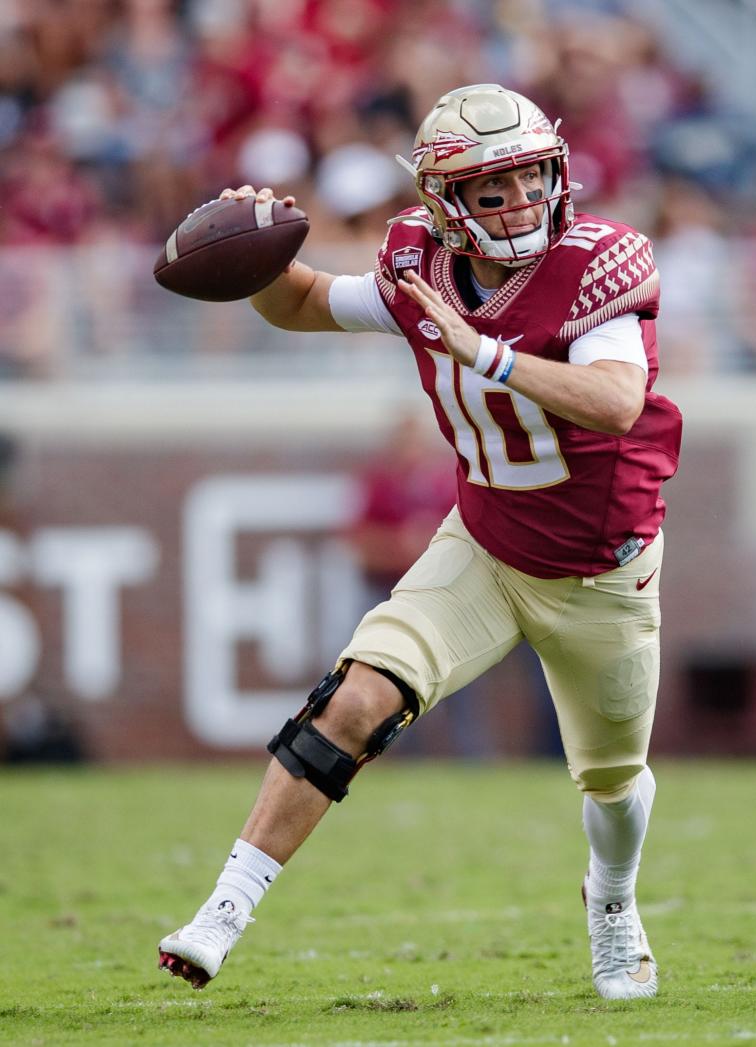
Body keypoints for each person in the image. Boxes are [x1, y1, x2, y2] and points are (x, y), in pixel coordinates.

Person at [158, 84, 682, 1002]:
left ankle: (613, 899)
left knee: (612, 780)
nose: (521, 203)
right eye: (493, 190)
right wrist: (259, 257)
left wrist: (480, 350)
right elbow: (308, 303)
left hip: (602, 565)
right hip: (479, 544)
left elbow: (615, 400)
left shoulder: (603, 256)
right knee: (352, 701)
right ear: (445, 202)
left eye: (531, 177)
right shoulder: (418, 259)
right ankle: (220, 915)